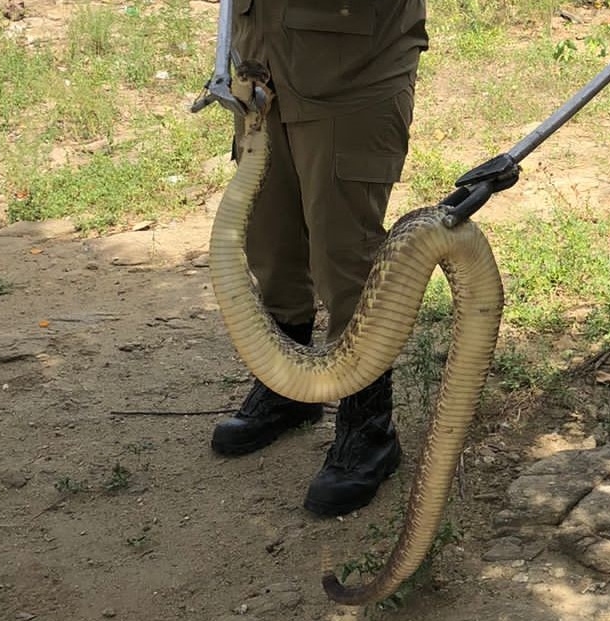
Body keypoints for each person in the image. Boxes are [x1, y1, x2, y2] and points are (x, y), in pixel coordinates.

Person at [208, 0, 428, 519]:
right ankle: (290, 386)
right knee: (271, 241)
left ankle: (368, 424)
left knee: (344, 256)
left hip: (350, 72)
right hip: (263, 67)